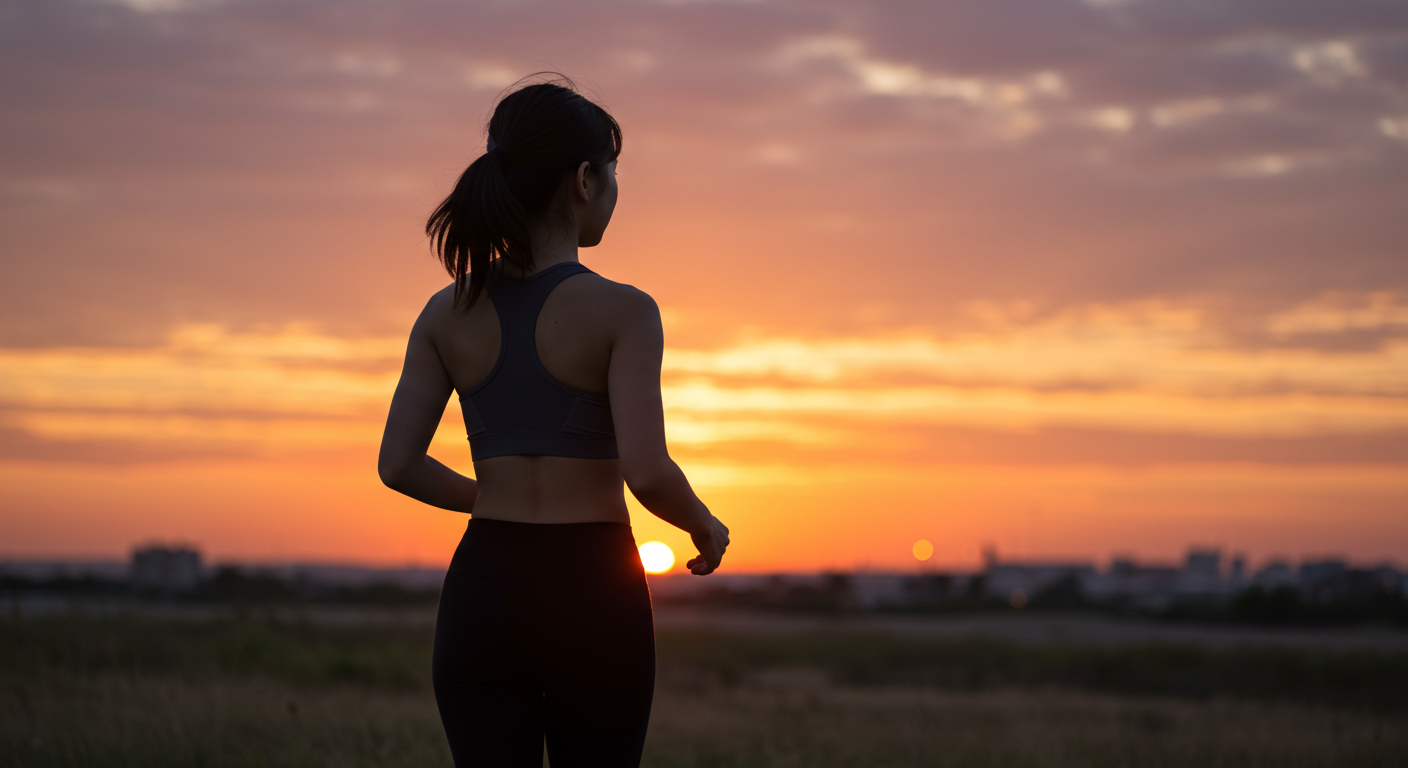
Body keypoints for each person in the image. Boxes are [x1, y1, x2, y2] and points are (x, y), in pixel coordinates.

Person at [377, 75, 730, 767]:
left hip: (483, 589)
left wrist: (494, 500)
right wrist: (703, 525)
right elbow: (648, 471)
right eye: (616, 171)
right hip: (592, 590)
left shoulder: (444, 314)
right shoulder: (625, 312)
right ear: (585, 180)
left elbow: (398, 466)